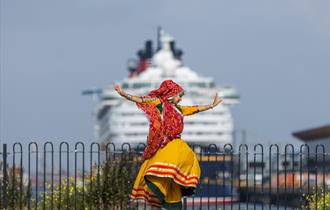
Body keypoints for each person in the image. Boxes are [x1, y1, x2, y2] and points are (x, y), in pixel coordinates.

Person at [114, 80, 222, 210]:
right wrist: (124, 94)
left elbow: (195, 109)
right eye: (179, 96)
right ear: (171, 94)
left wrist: (211, 105)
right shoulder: (159, 103)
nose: (180, 99)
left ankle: (177, 181)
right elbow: (141, 100)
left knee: (183, 165)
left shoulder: (179, 109)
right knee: (159, 178)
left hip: (176, 145)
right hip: (166, 145)